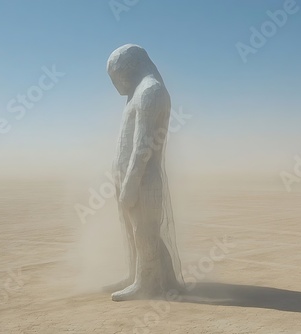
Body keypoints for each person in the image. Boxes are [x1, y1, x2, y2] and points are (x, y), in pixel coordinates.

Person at [106, 44, 184, 301]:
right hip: (132, 178)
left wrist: (130, 184)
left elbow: (143, 146)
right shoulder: (139, 92)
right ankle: (145, 276)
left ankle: (147, 284)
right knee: (137, 231)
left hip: (142, 180)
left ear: (126, 68)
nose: (116, 85)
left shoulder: (150, 91)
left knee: (144, 231)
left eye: (115, 77)